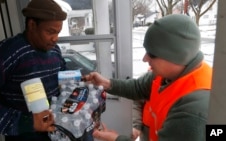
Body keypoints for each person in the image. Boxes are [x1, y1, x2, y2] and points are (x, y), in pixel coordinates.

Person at [83, 14, 212, 141]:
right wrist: (106, 84)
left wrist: (116, 139)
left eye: (152, 54)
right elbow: (138, 87)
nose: (145, 59)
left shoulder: (195, 110)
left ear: (176, 56)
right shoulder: (166, 75)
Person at [0, 0, 67, 140]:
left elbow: (64, 79)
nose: (55, 39)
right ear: (31, 25)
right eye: (50, 32)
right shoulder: (4, 52)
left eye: (58, 33)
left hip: (57, 132)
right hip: (25, 136)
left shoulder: (54, 50)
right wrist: (24, 121)